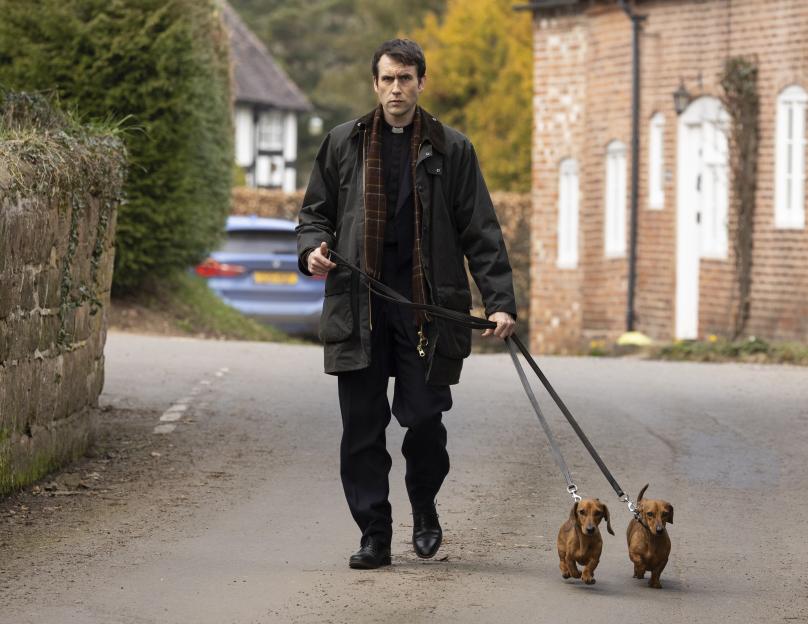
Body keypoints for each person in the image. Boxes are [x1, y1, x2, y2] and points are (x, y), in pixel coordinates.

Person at [296, 38, 516, 569]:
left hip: (426, 311)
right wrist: (312, 253)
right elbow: (313, 216)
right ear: (375, 85)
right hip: (359, 306)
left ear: (421, 83)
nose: (397, 89)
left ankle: (424, 506)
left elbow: (480, 231)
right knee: (362, 430)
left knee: (424, 424)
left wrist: (501, 301)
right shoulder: (343, 142)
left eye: (406, 79)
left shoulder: (451, 149)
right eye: (388, 79)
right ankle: (374, 533)